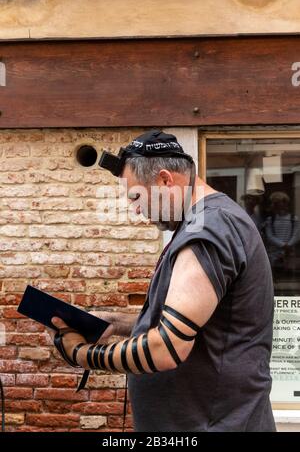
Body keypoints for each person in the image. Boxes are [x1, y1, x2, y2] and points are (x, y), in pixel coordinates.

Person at [51, 130, 276, 432]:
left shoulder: (209, 230)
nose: (136, 209)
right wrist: (115, 322)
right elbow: (195, 325)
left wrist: (81, 354)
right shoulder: (200, 222)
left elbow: (167, 347)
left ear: (165, 180)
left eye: (137, 197)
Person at [264, 191, 300, 271]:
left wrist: (288, 246)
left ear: (285, 203)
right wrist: (283, 245)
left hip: (289, 255)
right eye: (273, 203)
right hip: (274, 255)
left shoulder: (294, 219)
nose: (274, 205)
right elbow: (270, 236)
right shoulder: (270, 220)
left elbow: (297, 235)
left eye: (277, 202)